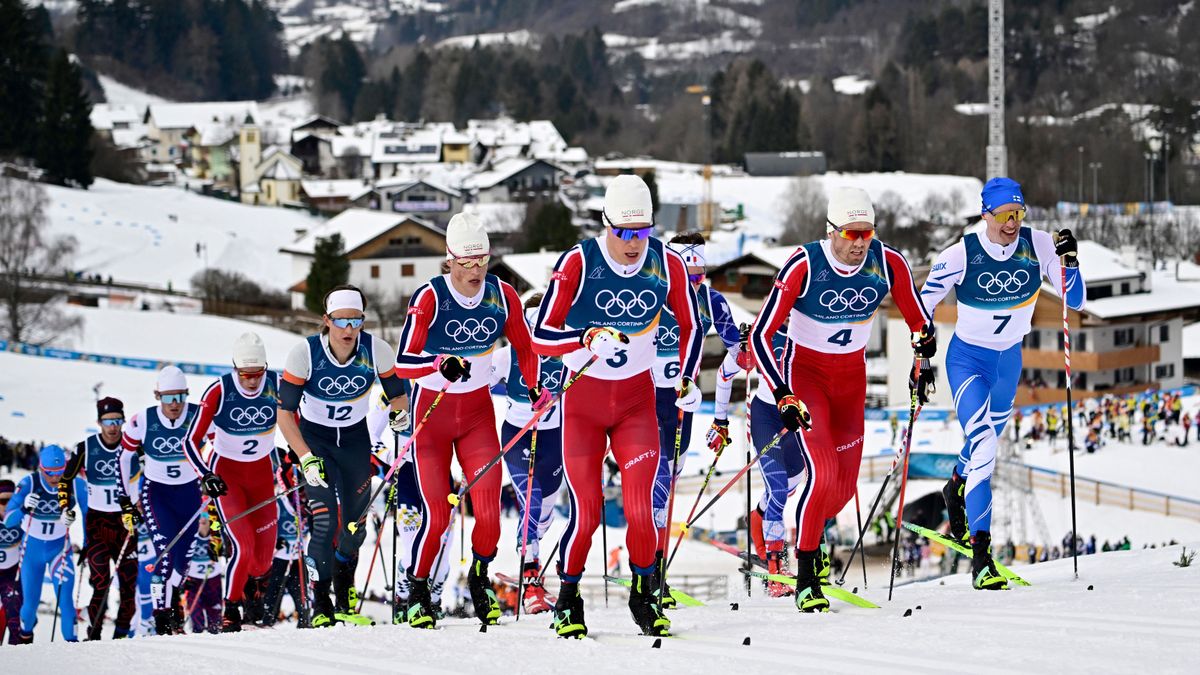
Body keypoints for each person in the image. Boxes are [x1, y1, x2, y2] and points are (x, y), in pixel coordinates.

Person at [532, 174, 704, 638]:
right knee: (587, 513)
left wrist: (686, 377)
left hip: (636, 403)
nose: (633, 244)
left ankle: (645, 594)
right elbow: (540, 336)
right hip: (584, 408)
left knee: (640, 508)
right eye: (624, 233)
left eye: (642, 232)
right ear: (606, 225)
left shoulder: (667, 264)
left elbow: (691, 328)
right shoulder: (578, 263)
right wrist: (585, 337)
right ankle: (568, 600)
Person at [750, 186, 935, 612]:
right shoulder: (803, 264)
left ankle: (804, 532)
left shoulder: (887, 262)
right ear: (831, 231)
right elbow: (761, 335)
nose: (860, 243)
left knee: (842, 488)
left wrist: (922, 358)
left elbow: (918, 320)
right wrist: (783, 393)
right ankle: (807, 572)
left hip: (851, 382)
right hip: (807, 378)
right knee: (823, 470)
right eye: (851, 234)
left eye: (866, 233)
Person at [921, 176, 1084, 590]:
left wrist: (1070, 263)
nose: (1011, 224)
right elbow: (921, 302)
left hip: (1009, 361)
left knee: (982, 443)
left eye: (1018, 214)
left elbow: (1075, 300)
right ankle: (981, 556)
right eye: (1004, 216)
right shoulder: (962, 254)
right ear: (985, 214)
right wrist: (921, 350)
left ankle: (956, 484)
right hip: (968, 361)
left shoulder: (1039, 244)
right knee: (986, 446)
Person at [392, 213, 540, 628]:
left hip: (476, 416)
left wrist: (531, 386)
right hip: (433, 417)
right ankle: (418, 590)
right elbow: (404, 362)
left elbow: (525, 347)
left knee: (489, 511)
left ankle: (480, 578)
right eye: (467, 262)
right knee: (438, 516)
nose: (476, 271)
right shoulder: (430, 297)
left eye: (483, 261)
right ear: (450, 259)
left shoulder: (503, 295)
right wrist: (440, 363)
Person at [277, 285, 408, 628]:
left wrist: (399, 414)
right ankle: (320, 600)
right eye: (341, 321)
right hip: (315, 441)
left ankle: (345, 589)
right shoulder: (304, 354)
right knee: (325, 521)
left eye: (355, 320)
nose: (348, 329)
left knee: (355, 524)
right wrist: (304, 457)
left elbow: (399, 396)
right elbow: (284, 415)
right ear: (327, 320)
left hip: (353, 441)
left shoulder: (376, 349)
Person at [652, 231, 741, 608]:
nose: (693, 285)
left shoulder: (711, 300)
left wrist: (751, 347)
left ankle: (655, 568)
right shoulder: (652, 297)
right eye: (686, 276)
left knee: (668, 489)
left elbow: (739, 346)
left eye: (699, 275)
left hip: (684, 403)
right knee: (655, 488)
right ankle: (651, 573)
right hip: (648, 400)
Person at [184, 332, 282, 632]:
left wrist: (303, 456)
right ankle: (232, 610)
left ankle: (251, 587)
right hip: (228, 477)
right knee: (243, 544)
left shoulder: (276, 385)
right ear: (234, 368)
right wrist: (207, 476)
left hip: (263, 476)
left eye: (257, 374)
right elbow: (191, 441)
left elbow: (298, 422)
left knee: (264, 560)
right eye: (245, 375)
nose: (252, 381)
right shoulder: (219, 391)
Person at [713, 324, 809, 597]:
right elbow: (723, 375)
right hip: (767, 416)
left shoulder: (814, 326)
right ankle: (776, 572)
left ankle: (758, 520)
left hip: (799, 415)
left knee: (792, 485)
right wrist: (720, 421)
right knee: (778, 488)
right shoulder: (761, 333)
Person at [489, 293, 566, 615]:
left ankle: (529, 547)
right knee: (531, 500)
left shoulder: (566, 355)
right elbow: (478, 385)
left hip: (555, 438)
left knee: (545, 509)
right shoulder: (507, 357)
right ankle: (531, 575)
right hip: (518, 436)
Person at [117, 365, 201, 635]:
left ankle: (172, 601)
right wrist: (127, 500)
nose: (174, 404)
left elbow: (219, 443)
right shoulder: (142, 420)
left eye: (180, 397)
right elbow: (125, 456)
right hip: (157, 494)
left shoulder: (198, 415)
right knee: (164, 557)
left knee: (182, 563)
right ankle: (161, 618)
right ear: (157, 396)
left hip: (189, 494)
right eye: (167, 397)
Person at [59, 396, 140, 640]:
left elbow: (154, 475)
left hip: (125, 524)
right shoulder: (85, 448)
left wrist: (143, 508)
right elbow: (65, 480)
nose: (113, 427)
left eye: (117, 421)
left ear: (123, 421)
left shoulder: (134, 446)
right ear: (99, 422)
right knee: (101, 583)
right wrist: (65, 506)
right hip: (98, 525)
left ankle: (122, 635)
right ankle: (93, 634)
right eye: (108, 421)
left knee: (128, 586)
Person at [7, 445, 78, 642]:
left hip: (59, 551)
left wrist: (89, 541)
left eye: (60, 473)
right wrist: (23, 508)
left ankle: (75, 650)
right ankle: (26, 635)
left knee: (65, 602)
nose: (56, 478)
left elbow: (91, 513)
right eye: (50, 474)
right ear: (40, 469)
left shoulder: (72, 483)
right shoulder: (29, 483)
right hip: (32, 553)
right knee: (29, 605)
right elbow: (8, 520)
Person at [179, 505, 224, 634]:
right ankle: (197, 635)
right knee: (195, 612)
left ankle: (216, 635)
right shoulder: (190, 538)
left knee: (215, 616)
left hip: (212, 578)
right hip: (194, 580)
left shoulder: (216, 536)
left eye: (205, 519)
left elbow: (226, 551)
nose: (202, 522)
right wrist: (183, 581)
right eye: (199, 519)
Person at [0, 479, 24, 644]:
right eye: (3, 500)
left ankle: (16, 658)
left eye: (12, 500)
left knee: (15, 619)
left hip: (12, 574)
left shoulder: (21, 519)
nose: (7, 504)